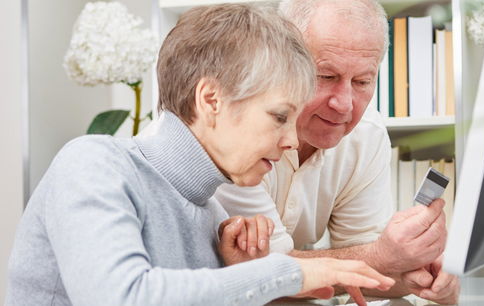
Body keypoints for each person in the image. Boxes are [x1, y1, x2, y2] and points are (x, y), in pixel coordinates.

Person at [5, 3, 394, 306]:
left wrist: (245, 274)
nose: (293, 141)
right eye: (279, 117)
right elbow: (122, 298)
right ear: (211, 100)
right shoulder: (93, 163)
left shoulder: (214, 216)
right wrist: (287, 271)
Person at [215, 0, 459, 303]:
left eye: (362, 81)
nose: (344, 105)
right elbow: (268, 271)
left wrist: (418, 276)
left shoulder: (366, 134)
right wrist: (384, 256)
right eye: (326, 77)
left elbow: (369, 271)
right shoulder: (236, 129)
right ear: (280, 60)